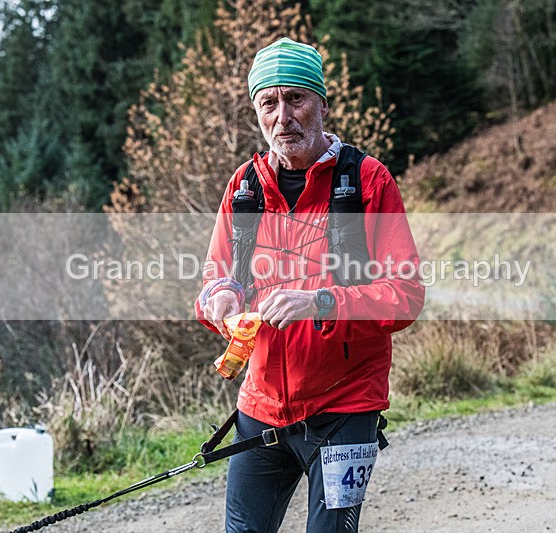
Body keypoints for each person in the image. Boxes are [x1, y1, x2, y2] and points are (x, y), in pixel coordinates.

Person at [195, 37, 425, 533]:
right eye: (268, 103)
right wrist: (219, 298)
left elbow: (405, 296)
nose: (284, 117)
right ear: (256, 111)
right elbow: (215, 278)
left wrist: (320, 301)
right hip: (261, 406)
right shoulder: (244, 188)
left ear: (322, 102)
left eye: (296, 98)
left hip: (344, 408)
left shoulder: (368, 182)